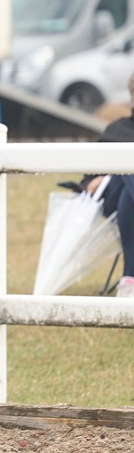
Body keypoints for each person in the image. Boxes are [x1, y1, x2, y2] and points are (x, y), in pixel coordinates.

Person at [81, 74, 134, 298]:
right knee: (124, 173)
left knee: (126, 183)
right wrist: (99, 179)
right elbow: (88, 179)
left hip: (126, 199)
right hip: (110, 201)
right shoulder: (117, 130)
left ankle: (130, 277)